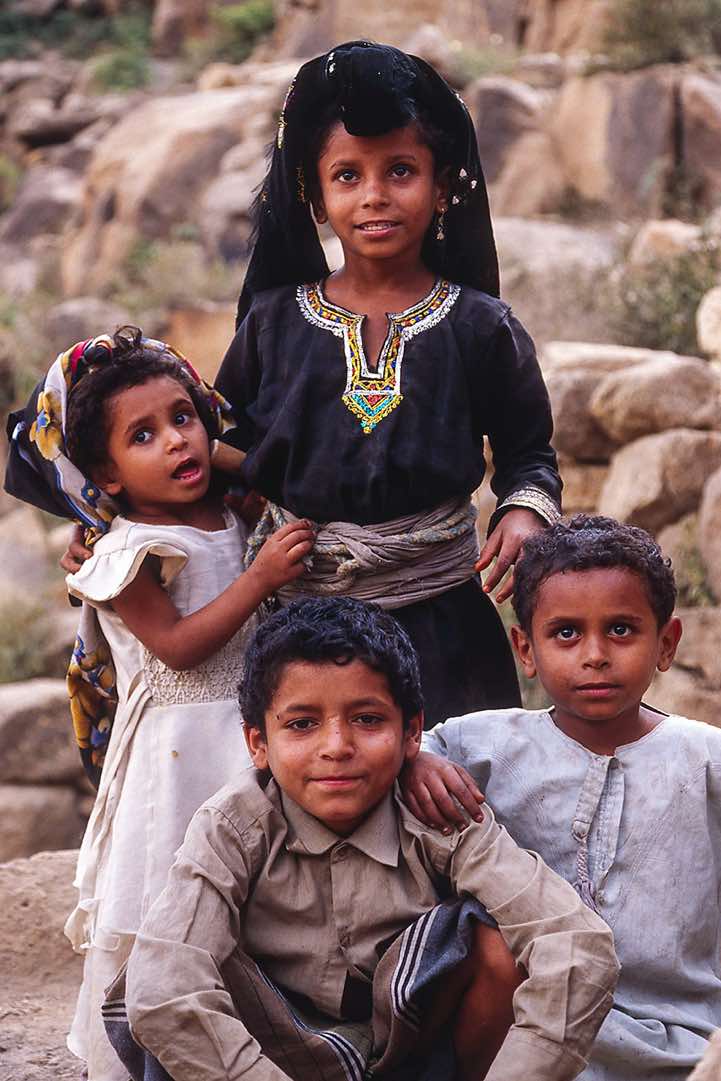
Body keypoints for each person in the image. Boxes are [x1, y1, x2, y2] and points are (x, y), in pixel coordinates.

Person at [106, 596, 619, 1081]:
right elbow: (164, 989)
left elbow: (576, 943)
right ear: (257, 743)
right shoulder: (231, 826)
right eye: (302, 724)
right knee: (166, 969)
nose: (337, 747)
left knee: (495, 945)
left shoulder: (439, 815)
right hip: (267, 1052)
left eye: (368, 720)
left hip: (406, 1049)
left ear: (412, 733)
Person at [212, 39, 562, 725]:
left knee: (451, 798)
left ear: (441, 188)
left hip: (444, 622)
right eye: (347, 176)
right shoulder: (272, 322)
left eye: (400, 170)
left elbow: (528, 454)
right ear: (312, 195)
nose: (374, 195)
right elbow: (219, 453)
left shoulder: (480, 325)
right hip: (301, 623)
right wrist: (127, 518)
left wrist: (522, 512)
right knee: (325, 792)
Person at [4, 327, 314, 1081]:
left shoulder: (230, 512)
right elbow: (177, 644)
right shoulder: (125, 548)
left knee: (245, 898)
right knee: (171, 900)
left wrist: (220, 449)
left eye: (184, 416)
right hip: (176, 754)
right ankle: (148, 1051)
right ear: (105, 474)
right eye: (142, 436)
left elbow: (256, 460)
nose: (177, 441)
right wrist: (259, 579)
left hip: (243, 739)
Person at [401, 514, 721, 1080]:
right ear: (525, 648)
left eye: (621, 630)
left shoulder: (705, 759)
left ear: (665, 643)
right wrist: (416, 761)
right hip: (528, 1034)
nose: (594, 655)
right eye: (566, 633)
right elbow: (402, 748)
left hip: (684, 1041)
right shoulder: (486, 744)